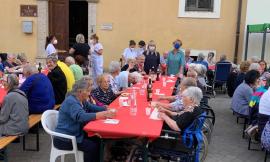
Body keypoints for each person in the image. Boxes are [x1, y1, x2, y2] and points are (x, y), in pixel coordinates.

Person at [54, 79, 116, 162]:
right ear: (80, 91)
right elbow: (81, 117)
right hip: (65, 139)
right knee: (92, 147)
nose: (89, 93)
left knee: (99, 139)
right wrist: (102, 114)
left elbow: (91, 107)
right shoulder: (71, 101)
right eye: (87, 91)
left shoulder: (81, 99)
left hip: (76, 133)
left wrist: (106, 108)